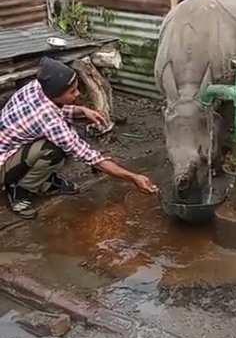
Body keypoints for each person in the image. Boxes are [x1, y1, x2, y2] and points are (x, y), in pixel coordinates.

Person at [0, 57, 158, 219]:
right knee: (53, 151)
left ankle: (43, 181)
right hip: (4, 161)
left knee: (62, 140)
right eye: (72, 92)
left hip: (13, 146)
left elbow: (54, 110)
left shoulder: (37, 87)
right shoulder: (49, 120)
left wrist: (81, 111)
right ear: (55, 94)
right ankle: (20, 191)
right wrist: (133, 177)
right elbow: (88, 156)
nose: (78, 93)